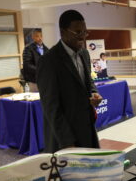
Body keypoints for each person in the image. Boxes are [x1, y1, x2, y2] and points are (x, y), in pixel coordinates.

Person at [37, 10, 103, 153]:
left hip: (87, 129)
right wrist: (67, 142)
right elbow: (51, 106)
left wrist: (94, 93)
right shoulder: (49, 61)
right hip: (65, 137)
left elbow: (88, 82)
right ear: (62, 32)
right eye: (77, 32)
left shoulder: (84, 54)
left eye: (85, 32)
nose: (82, 37)